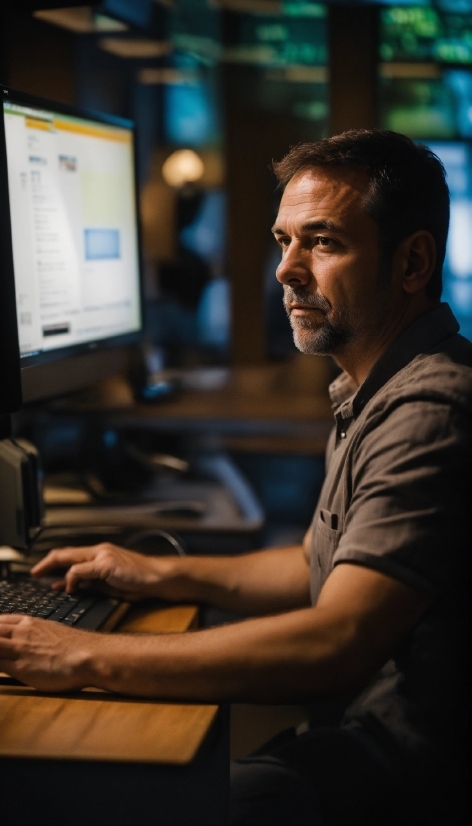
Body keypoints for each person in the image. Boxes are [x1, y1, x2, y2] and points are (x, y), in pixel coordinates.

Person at [0, 130, 471, 826]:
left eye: (322, 242)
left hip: (406, 772)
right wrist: (160, 575)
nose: (285, 269)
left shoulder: (430, 408)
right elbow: (319, 561)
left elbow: (334, 642)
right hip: (363, 739)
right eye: (283, 240)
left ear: (412, 263)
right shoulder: (378, 387)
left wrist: (83, 654)